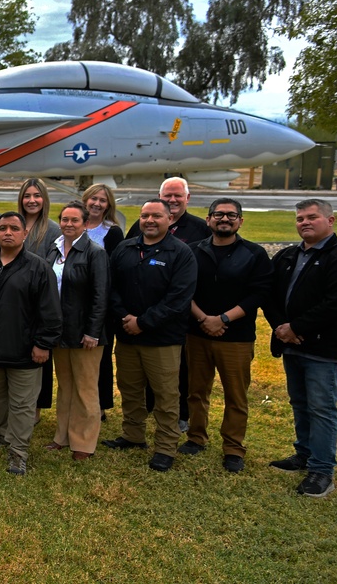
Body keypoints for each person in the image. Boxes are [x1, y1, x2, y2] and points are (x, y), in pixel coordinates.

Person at [264, 199, 337, 497]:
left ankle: (322, 470)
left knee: (322, 408)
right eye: (300, 218)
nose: (304, 222)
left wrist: (296, 328)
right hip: (291, 345)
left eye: (312, 217)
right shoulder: (288, 256)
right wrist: (281, 326)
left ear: (331, 220)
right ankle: (304, 454)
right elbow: (270, 296)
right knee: (300, 403)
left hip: (323, 349)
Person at [179, 199, 272, 473]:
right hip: (197, 333)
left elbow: (259, 293)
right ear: (208, 220)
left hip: (236, 337)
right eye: (218, 214)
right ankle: (196, 437)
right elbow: (184, 289)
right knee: (196, 391)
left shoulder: (254, 254)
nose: (225, 219)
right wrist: (203, 318)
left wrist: (223, 319)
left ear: (240, 221)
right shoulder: (193, 251)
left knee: (235, 395)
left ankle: (233, 448)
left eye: (231, 215)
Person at [104, 199, 197, 472]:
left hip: (162, 339)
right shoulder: (125, 248)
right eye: (145, 215)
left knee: (166, 396)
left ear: (170, 219)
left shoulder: (181, 253)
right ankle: (133, 435)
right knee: (130, 389)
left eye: (156, 215)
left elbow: (179, 297)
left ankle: (166, 447)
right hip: (128, 336)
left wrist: (144, 322)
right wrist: (125, 319)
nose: (149, 221)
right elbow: (112, 288)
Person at [0, 212, 62, 476]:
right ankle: (1, 434)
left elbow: (51, 312)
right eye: (2, 228)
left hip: (25, 351)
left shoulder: (38, 268)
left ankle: (18, 452)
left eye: (14, 228)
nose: (8, 232)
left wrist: (43, 344)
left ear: (25, 233)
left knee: (23, 405)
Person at [125, 177, 209, 433]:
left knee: (175, 372)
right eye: (168, 196)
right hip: (135, 318)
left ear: (187, 198)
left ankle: (181, 415)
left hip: (177, 317)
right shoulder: (140, 229)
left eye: (177, 196)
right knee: (137, 376)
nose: (173, 200)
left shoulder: (199, 229)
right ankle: (142, 418)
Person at [44, 202, 109, 461]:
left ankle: (84, 442)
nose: (69, 224)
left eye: (75, 220)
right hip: (61, 332)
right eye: (65, 219)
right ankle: (63, 435)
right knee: (66, 386)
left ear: (85, 224)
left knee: (85, 388)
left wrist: (92, 331)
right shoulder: (54, 249)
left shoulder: (95, 253)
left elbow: (100, 294)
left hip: (86, 334)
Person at [17, 177, 61, 419]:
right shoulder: (14, 224)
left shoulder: (52, 229)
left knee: (38, 358)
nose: (32, 200)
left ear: (44, 199)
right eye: (27, 196)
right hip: (16, 303)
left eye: (36, 195)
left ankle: (34, 410)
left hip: (39, 304)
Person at [82, 183, 123, 421]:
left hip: (101, 304)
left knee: (101, 356)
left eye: (103, 200)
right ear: (85, 199)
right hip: (74, 303)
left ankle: (100, 405)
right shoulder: (74, 224)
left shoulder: (112, 232)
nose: (97, 204)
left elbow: (114, 271)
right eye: (93, 198)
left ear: (108, 205)